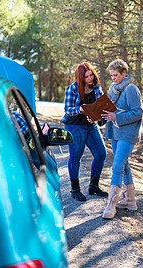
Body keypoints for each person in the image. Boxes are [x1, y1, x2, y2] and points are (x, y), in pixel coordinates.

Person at [101, 59, 143, 219]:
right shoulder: (113, 88)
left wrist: (116, 116)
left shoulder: (131, 89)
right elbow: (109, 109)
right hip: (115, 132)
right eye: (111, 75)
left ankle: (111, 204)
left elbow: (138, 112)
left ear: (124, 73)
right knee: (124, 165)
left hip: (128, 133)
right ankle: (130, 201)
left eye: (116, 75)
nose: (113, 78)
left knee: (118, 165)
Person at [61, 62, 108, 201]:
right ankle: (75, 189)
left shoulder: (96, 88)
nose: (90, 78)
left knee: (101, 153)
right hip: (74, 125)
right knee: (76, 155)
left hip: (90, 125)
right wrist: (81, 109)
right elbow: (68, 110)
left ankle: (93, 186)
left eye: (91, 75)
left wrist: (96, 116)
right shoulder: (72, 89)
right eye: (87, 77)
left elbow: (100, 107)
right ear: (80, 78)